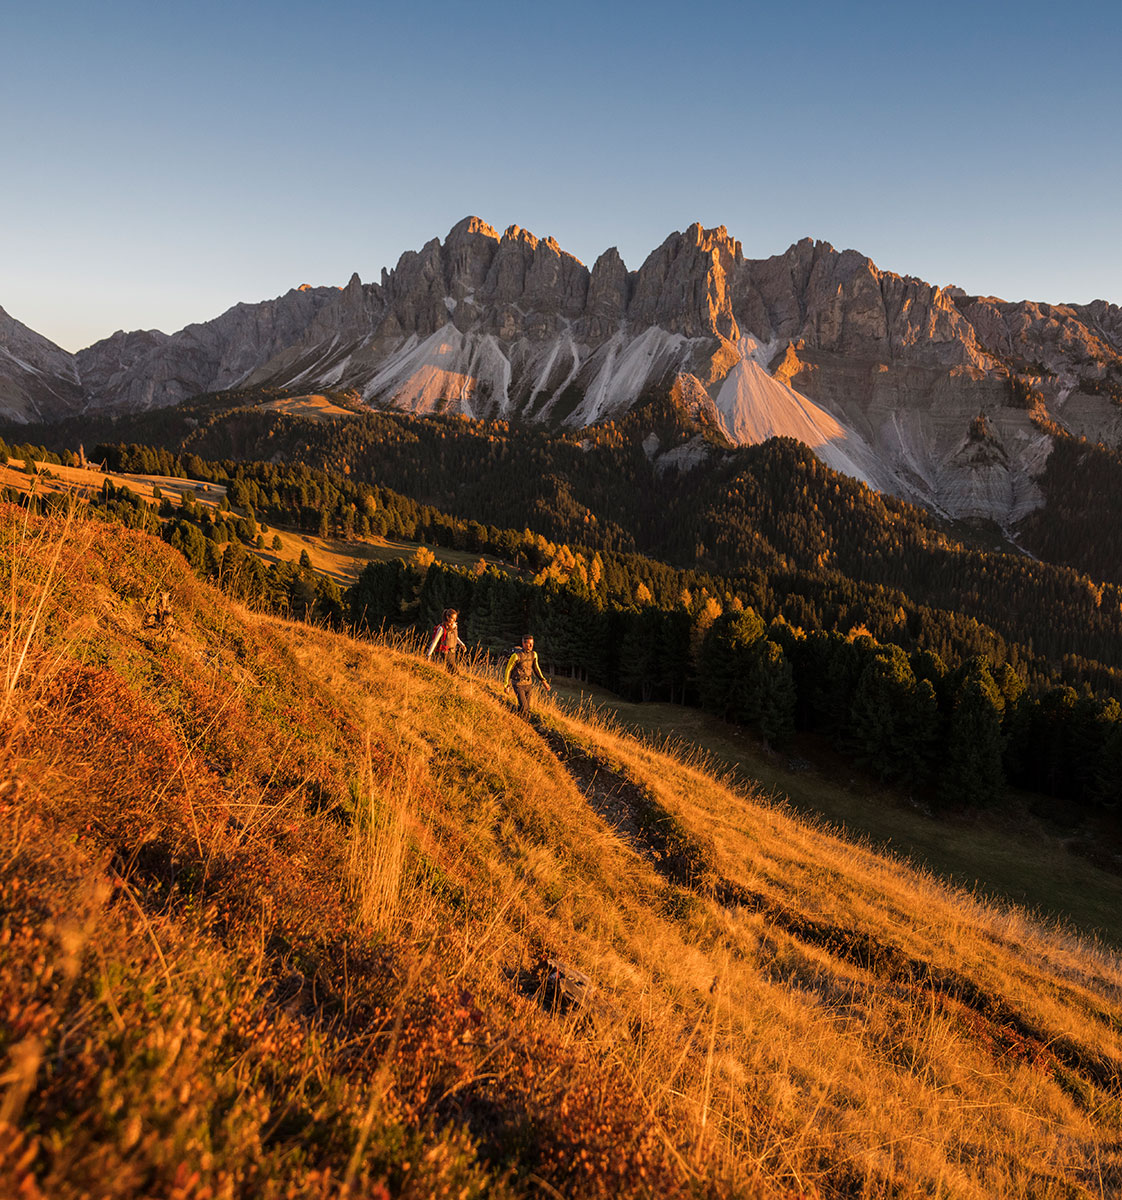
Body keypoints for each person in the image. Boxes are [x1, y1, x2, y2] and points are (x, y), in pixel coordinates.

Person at [503, 634, 551, 716]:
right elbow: (508, 670)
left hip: (528, 684)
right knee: (524, 707)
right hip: (518, 683)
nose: (531, 645)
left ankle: (518, 718)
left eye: (532, 643)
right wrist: (506, 685)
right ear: (523, 644)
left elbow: (536, 669)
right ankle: (516, 718)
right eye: (529, 643)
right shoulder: (516, 656)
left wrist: (544, 681)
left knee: (527, 708)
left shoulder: (534, 654)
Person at [426, 607, 467, 672]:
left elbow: (455, 637)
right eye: (452, 618)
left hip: (453, 652)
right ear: (447, 617)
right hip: (446, 652)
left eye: (455, 619)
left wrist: (462, 644)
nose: (453, 620)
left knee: (449, 670)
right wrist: (429, 654)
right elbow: (435, 641)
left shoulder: (455, 626)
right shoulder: (442, 628)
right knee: (454, 671)